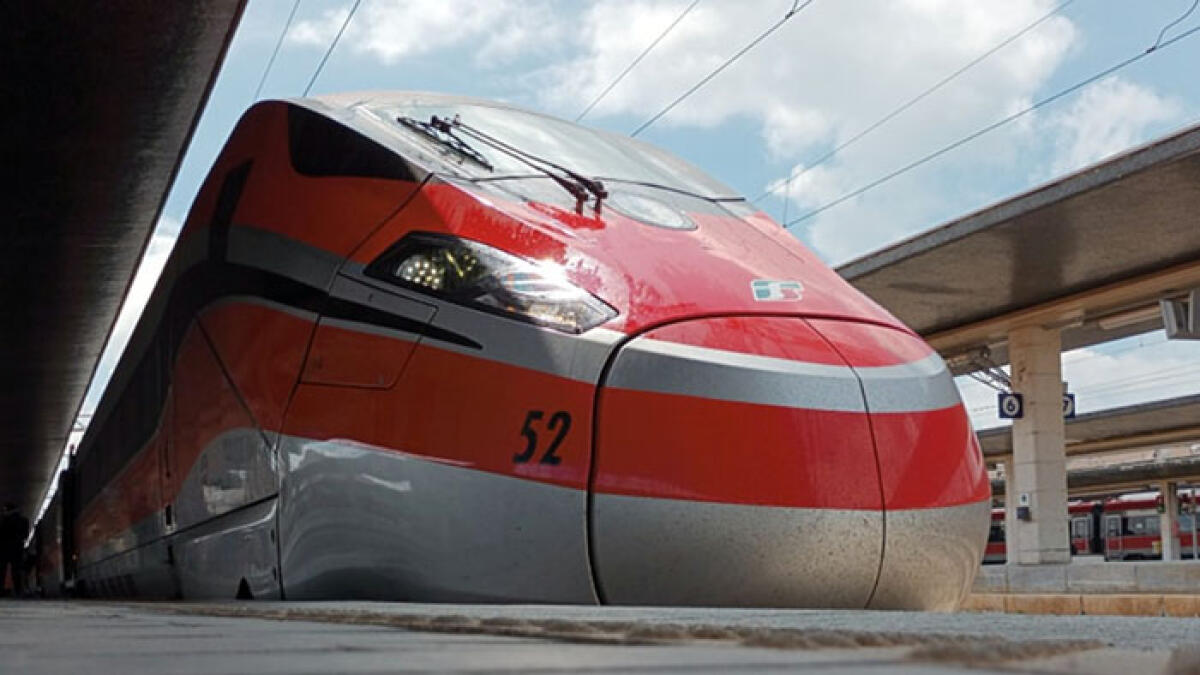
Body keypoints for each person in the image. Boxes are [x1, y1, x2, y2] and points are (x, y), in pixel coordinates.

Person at [1, 502, 29, 597]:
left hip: (4, 548)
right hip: (18, 548)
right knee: (16, 570)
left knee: (2, 570)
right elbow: (25, 535)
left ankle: (1, 590)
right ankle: (18, 590)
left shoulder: (4, 521)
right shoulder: (24, 521)